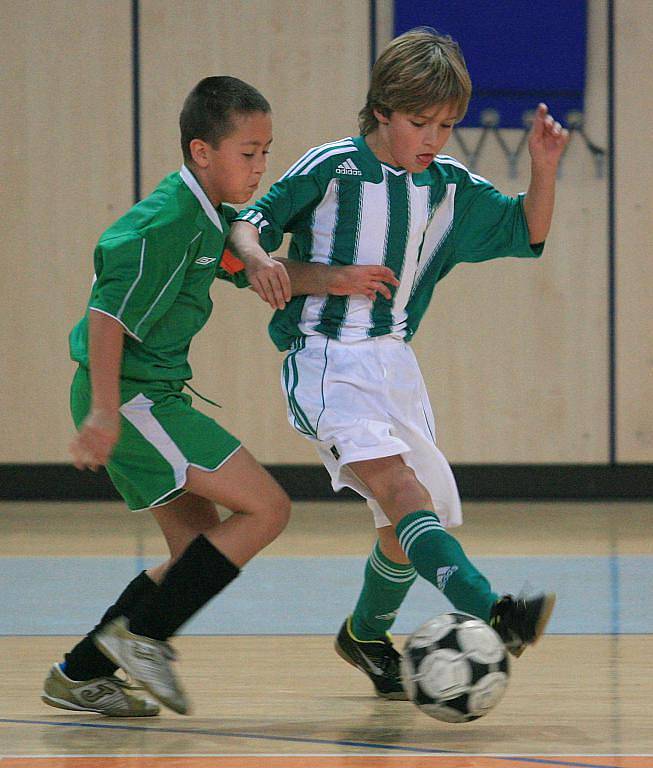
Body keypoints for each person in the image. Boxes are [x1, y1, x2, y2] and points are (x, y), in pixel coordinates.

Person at [229, 27, 569, 700]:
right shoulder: (331, 167)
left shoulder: (447, 188)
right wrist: (271, 262)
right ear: (381, 109)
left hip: (393, 366)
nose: (433, 138)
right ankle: (493, 613)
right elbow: (243, 229)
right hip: (325, 360)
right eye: (419, 122)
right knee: (403, 496)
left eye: (445, 125)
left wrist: (543, 169)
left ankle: (362, 635)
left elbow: (526, 230)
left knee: (402, 527)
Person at [41, 76, 300, 718]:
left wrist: (333, 278)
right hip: (132, 400)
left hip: (147, 397)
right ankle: (145, 639)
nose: (261, 166)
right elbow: (106, 316)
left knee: (192, 559)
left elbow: (245, 248)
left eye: (267, 150)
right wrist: (104, 410)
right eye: (249, 152)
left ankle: (80, 673)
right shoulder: (165, 222)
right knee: (267, 510)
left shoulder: (208, 213)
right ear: (201, 151)